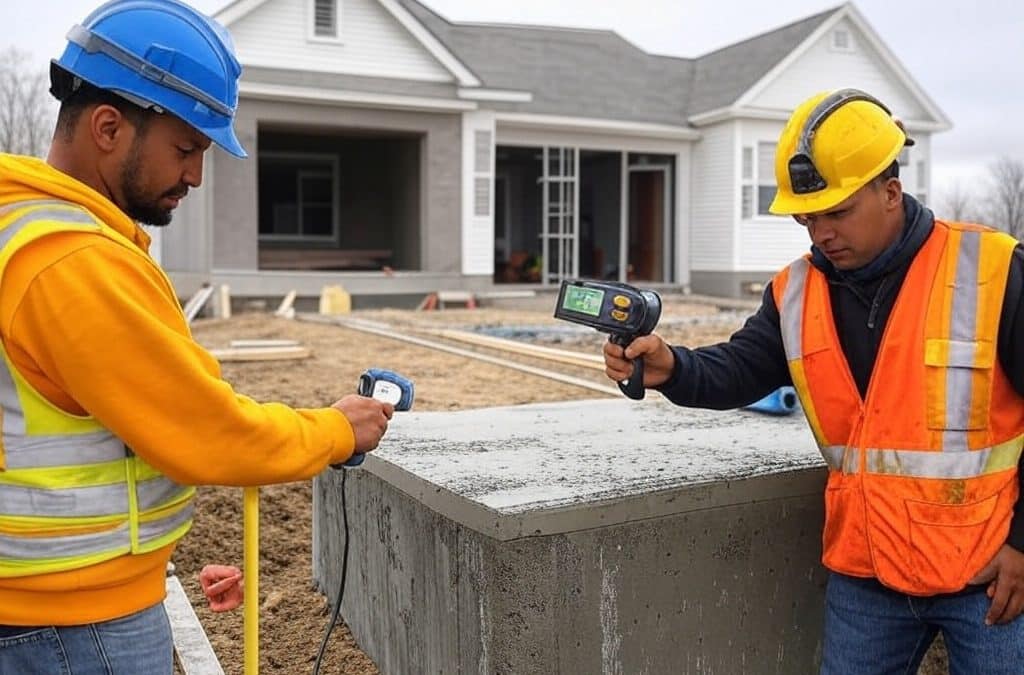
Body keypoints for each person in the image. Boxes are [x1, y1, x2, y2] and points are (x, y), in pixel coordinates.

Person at [0, 1, 393, 672]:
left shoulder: (23, 227)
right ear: (107, 127)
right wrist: (335, 429)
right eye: (185, 149)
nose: (195, 176)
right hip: (72, 624)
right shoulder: (72, 261)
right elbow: (205, 430)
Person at [603, 88, 1024, 673]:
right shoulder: (796, 292)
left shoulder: (992, 270)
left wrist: (1023, 544)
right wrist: (672, 366)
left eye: (837, 212)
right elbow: (742, 368)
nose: (820, 233)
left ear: (891, 191)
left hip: (987, 576)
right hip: (866, 573)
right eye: (807, 218)